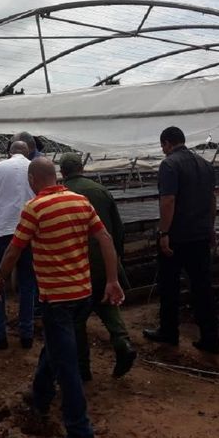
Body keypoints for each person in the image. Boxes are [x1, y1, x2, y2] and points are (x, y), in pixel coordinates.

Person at [0, 157, 124, 438]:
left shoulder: (34, 209)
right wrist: (113, 280)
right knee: (56, 348)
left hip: (57, 300)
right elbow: (104, 238)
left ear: (33, 180)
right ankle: (40, 395)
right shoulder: (80, 201)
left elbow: (14, 249)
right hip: (83, 295)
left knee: (68, 369)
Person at [144, 126, 219, 355]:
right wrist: (210, 228)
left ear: (167, 143)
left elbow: (168, 200)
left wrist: (164, 233)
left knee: (169, 287)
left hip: (178, 237)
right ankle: (211, 339)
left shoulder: (169, 164)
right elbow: (211, 200)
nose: (163, 150)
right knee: (203, 288)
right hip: (199, 234)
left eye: (163, 146)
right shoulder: (205, 165)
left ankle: (169, 333)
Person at [59, 153, 136, 380]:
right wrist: (116, 258)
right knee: (108, 302)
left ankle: (83, 368)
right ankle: (123, 343)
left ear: (62, 172)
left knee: (77, 318)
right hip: (104, 259)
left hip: (77, 262)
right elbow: (118, 230)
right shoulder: (101, 191)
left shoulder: (61, 195)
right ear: (82, 168)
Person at [0, 141, 36, 349]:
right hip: (30, 231)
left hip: (3, 231)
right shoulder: (35, 168)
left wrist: (2, 206)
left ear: (9, 152)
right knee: (28, 283)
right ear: (28, 152)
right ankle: (26, 334)